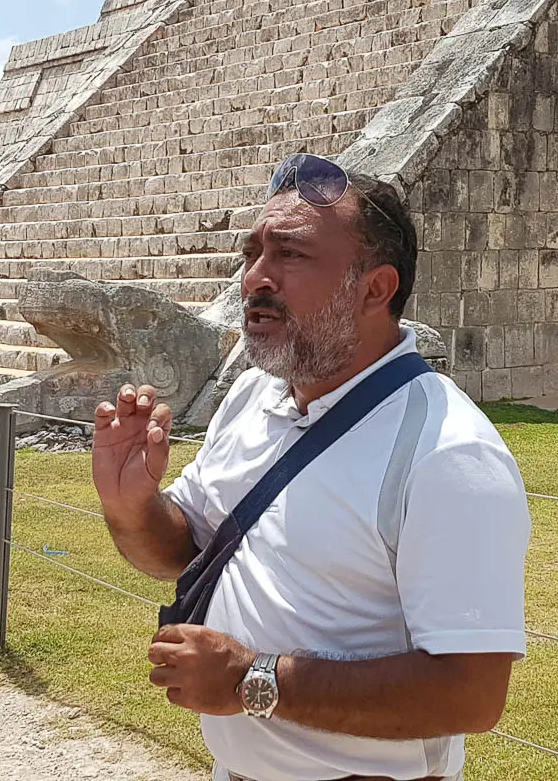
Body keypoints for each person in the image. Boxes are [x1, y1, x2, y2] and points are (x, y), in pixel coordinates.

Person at [92, 154, 531, 781]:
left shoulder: (448, 454)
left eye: (290, 256)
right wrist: (132, 502)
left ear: (375, 289)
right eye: (251, 255)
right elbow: (180, 551)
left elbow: (471, 694)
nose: (254, 280)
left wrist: (252, 681)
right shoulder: (252, 397)